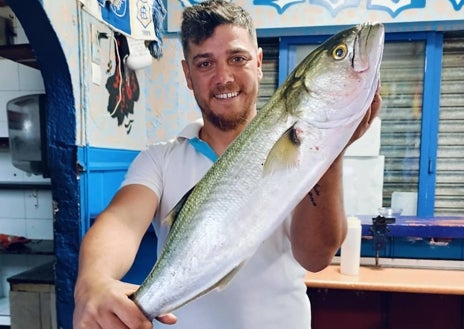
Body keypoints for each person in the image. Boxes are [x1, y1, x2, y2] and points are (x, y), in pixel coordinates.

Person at [73, 1, 382, 328]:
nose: (224, 78)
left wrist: (329, 149)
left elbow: (316, 257)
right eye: (205, 63)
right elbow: (121, 221)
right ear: (187, 75)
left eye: (238, 58)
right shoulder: (159, 159)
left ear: (259, 62)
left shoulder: (293, 144)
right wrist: (92, 281)